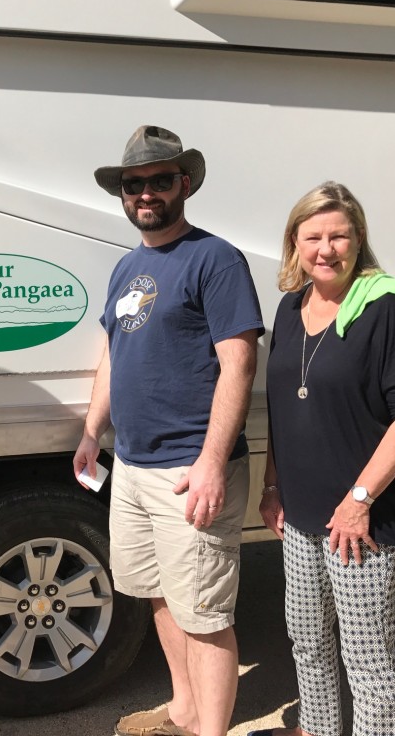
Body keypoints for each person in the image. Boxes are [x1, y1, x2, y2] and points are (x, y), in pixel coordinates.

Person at [73, 125, 264, 736]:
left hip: (190, 468)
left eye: (160, 180)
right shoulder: (128, 266)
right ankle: (183, 711)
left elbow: (238, 361)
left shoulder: (215, 258)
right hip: (130, 465)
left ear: (184, 184)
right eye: (135, 184)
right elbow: (113, 355)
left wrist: (211, 460)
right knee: (158, 594)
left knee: (205, 613)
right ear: (122, 194)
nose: (146, 192)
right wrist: (91, 431)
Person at [250, 182, 395, 736]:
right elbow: (283, 409)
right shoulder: (290, 307)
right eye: (313, 237)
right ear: (295, 244)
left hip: (362, 519)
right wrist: (272, 486)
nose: (326, 249)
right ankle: (318, 728)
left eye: (339, 236)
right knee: (306, 639)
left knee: (366, 653)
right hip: (301, 511)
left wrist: (359, 501)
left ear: (358, 241)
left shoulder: (387, 309)